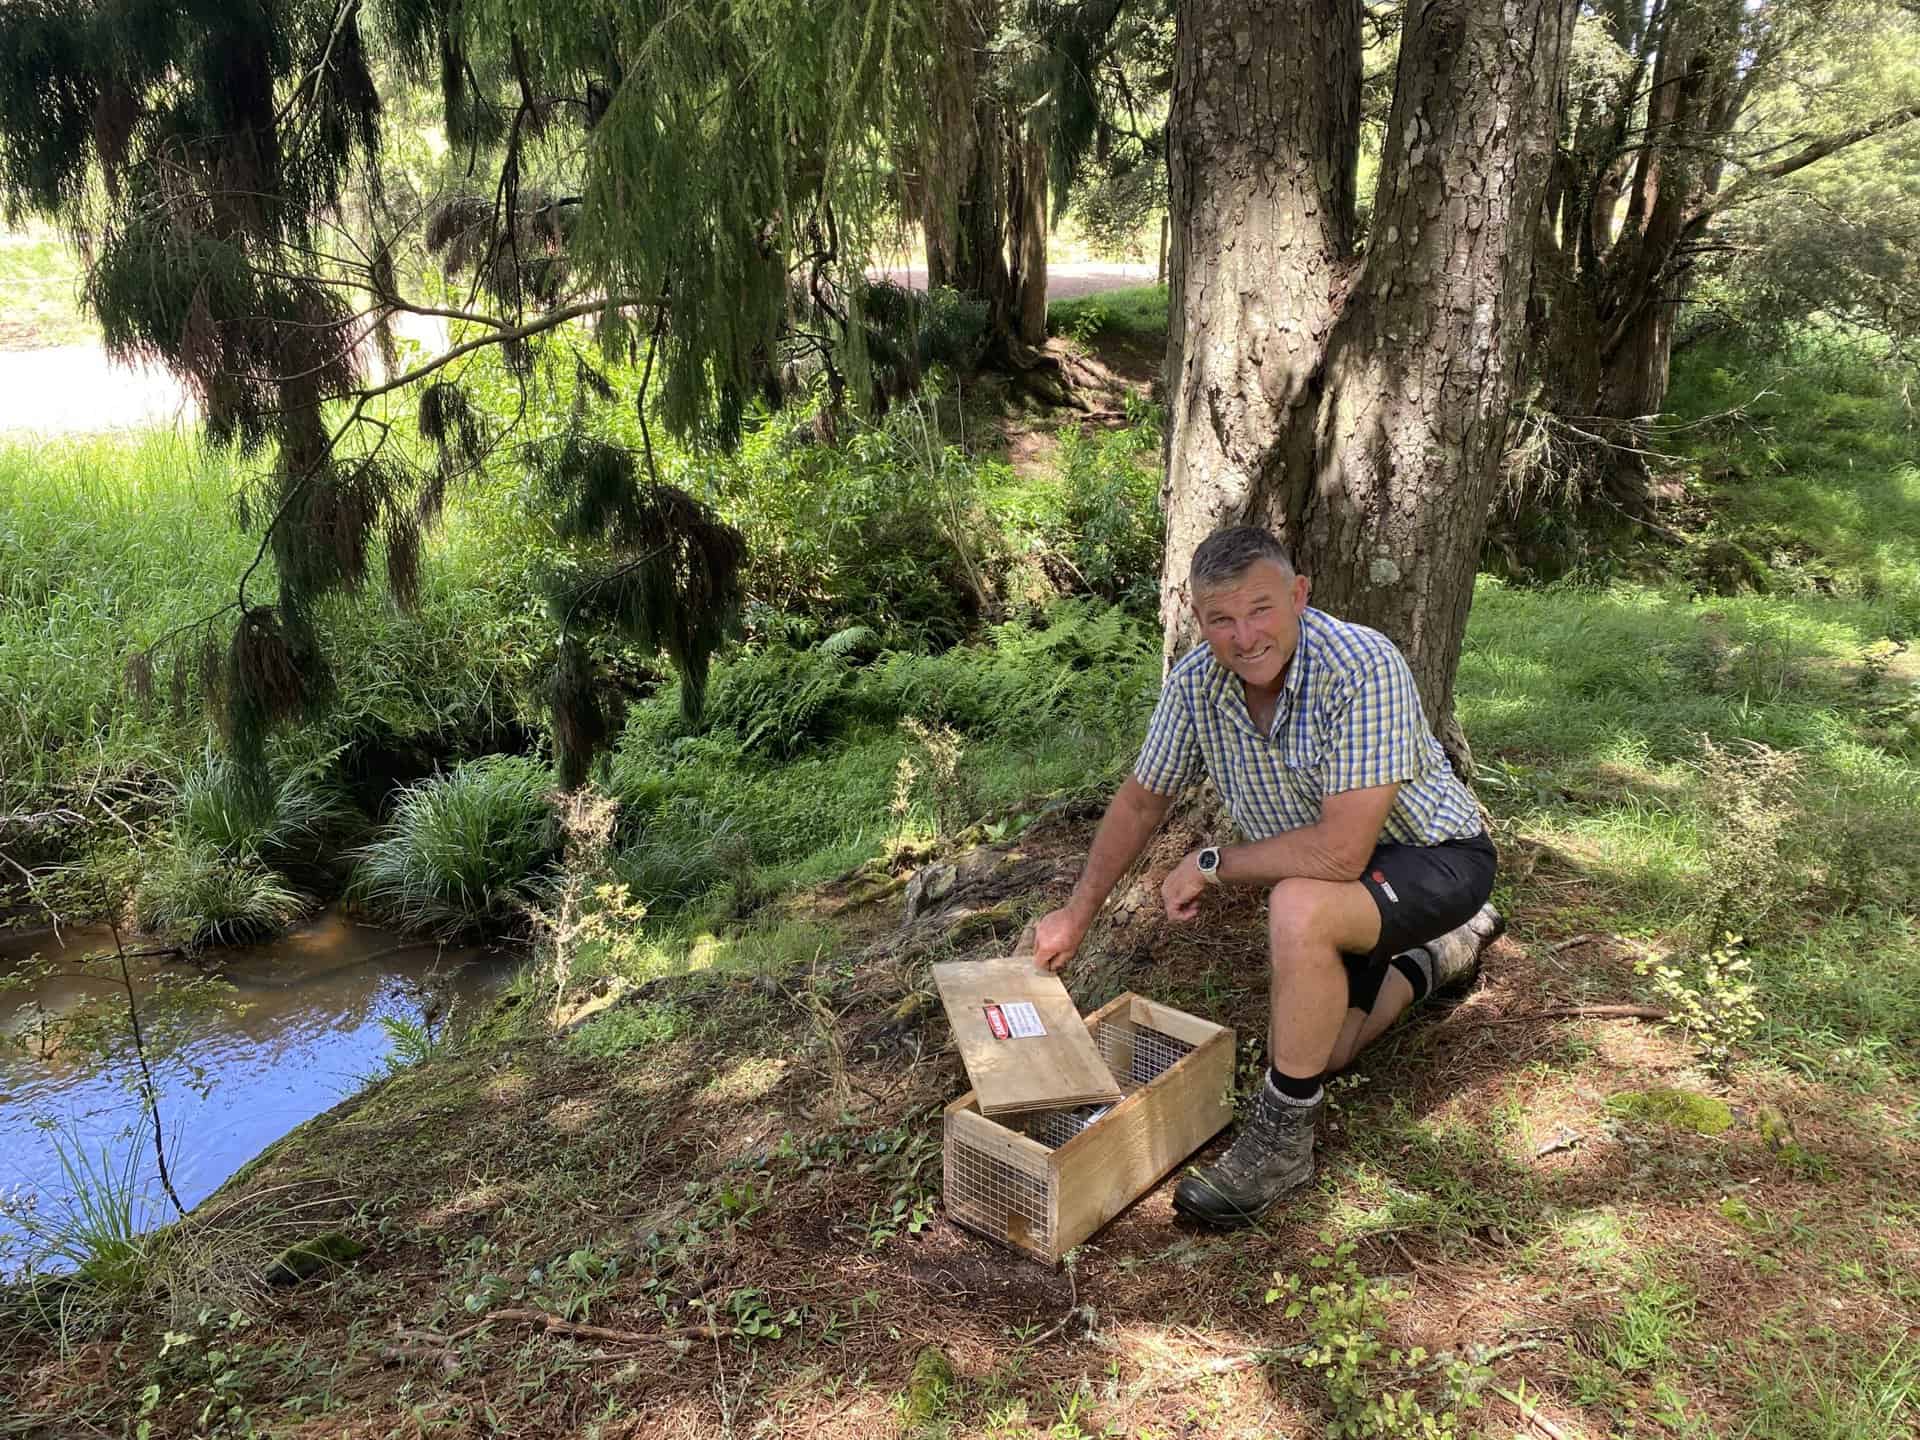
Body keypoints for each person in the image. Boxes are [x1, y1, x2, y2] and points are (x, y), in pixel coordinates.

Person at [1023, 526, 1501, 1228]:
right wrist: (1076, 913)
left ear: (1299, 595)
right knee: (1323, 1051)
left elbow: (1339, 854)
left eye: (1260, 609)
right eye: (1221, 618)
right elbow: (1142, 800)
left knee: (1297, 906)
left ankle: (1280, 1146)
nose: (1244, 637)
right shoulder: (1196, 684)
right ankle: (1444, 953)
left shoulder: (1361, 665)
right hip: (1355, 889)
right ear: (1196, 617)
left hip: (1437, 856)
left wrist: (1211, 863)